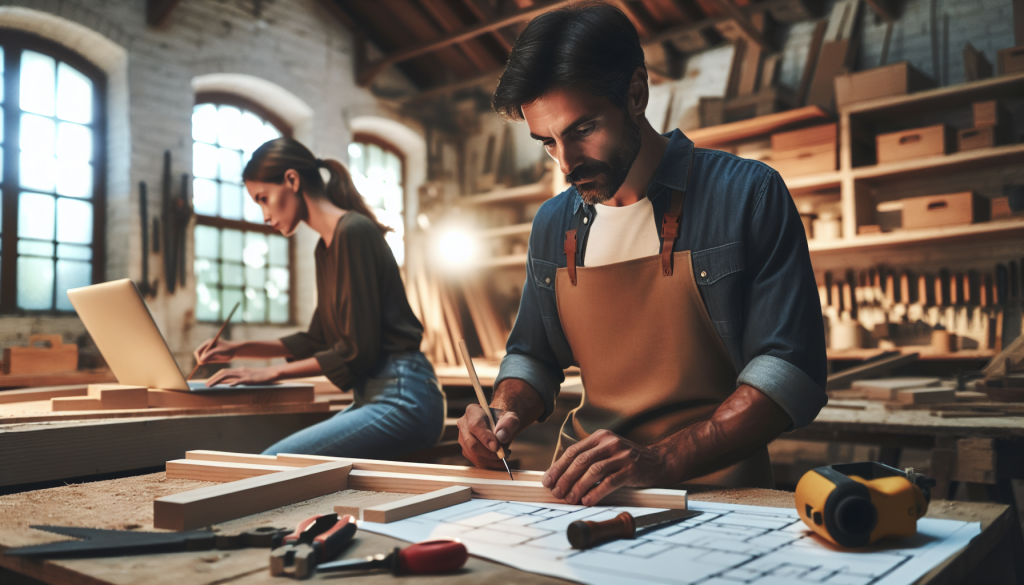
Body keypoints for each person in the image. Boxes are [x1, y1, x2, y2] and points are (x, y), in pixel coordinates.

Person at [457, 1, 827, 505]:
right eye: (547, 142)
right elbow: (532, 354)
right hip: (581, 493)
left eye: (582, 130)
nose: (565, 164)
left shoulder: (748, 194)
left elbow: (791, 370)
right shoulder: (552, 224)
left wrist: (661, 459)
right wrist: (504, 411)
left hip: (720, 494)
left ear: (635, 93)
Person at [193, 137, 446, 459]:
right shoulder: (325, 247)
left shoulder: (354, 231)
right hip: (376, 396)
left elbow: (357, 351)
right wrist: (238, 349)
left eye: (263, 199)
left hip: (404, 396)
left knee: (273, 462)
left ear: (292, 180)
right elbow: (316, 339)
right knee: (271, 458)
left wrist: (271, 372)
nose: (264, 215)